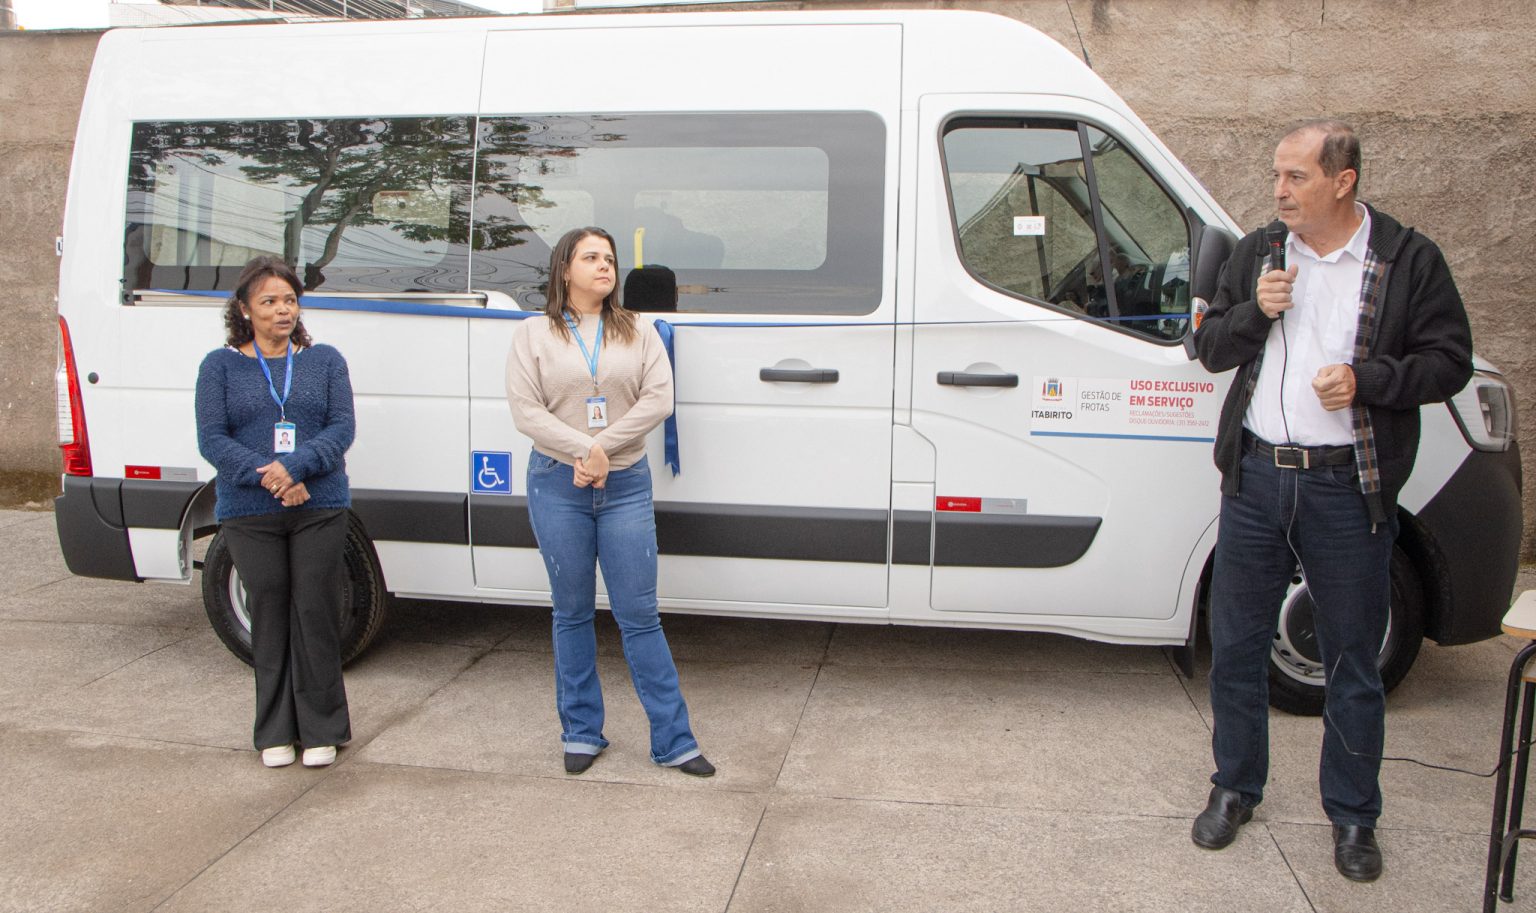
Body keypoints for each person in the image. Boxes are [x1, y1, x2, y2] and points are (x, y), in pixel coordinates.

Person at [1190, 121, 1472, 881]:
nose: (1278, 190)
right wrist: (1256, 310)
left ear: (1342, 181)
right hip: (1255, 479)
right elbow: (1210, 348)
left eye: (1295, 177)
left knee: (1352, 656)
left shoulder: (1407, 260)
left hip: (1347, 485)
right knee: (1238, 647)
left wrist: (1367, 380)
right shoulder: (1259, 254)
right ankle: (1235, 786)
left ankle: (1352, 816)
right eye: (1276, 175)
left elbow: (1450, 360)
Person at [506, 227, 714, 778]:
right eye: (591, 257)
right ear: (565, 269)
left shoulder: (638, 330)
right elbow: (527, 413)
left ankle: (674, 740)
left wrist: (602, 448)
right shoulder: (534, 333)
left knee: (640, 616)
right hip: (557, 483)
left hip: (624, 485)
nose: (605, 266)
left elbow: (659, 399)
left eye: (610, 259)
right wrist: (585, 449)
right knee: (571, 613)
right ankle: (580, 731)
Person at [195, 256, 357, 770]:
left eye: (289, 300)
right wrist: (269, 475)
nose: (282, 309)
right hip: (249, 510)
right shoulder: (219, 366)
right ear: (245, 309)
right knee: (268, 614)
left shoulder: (324, 360)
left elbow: (341, 428)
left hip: (319, 505)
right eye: (269, 301)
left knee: (316, 612)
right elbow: (212, 438)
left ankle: (323, 729)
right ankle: (274, 732)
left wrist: (296, 468)